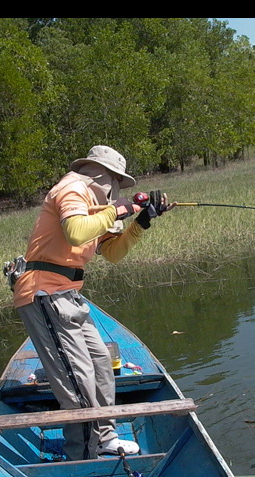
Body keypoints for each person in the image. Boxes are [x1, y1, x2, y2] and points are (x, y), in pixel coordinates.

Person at [12, 145, 171, 460]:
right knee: (78, 380)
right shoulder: (72, 188)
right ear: (105, 176)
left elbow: (112, 253)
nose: (117, 192)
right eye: (117, 184)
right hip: (45, 294)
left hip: (69, 295)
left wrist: (141, 222)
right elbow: (74, 232)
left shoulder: (98, 208)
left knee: (100, 365)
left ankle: (105, 437)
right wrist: (118, 211)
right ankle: (83, 455)